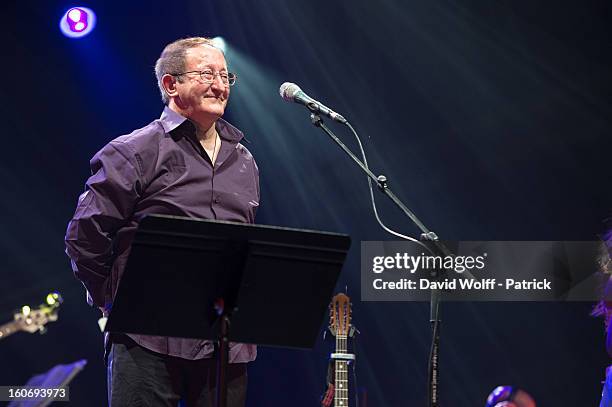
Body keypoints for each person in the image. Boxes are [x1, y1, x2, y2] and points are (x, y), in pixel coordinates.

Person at [65, 37, 260, 406]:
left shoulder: (245, 160)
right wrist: (115, 300)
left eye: (225, 76)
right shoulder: (133, 151)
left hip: (225, 346)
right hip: (146, 341)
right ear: (172, 85)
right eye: (207, 74)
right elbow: (84, 237)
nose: (220, 86)